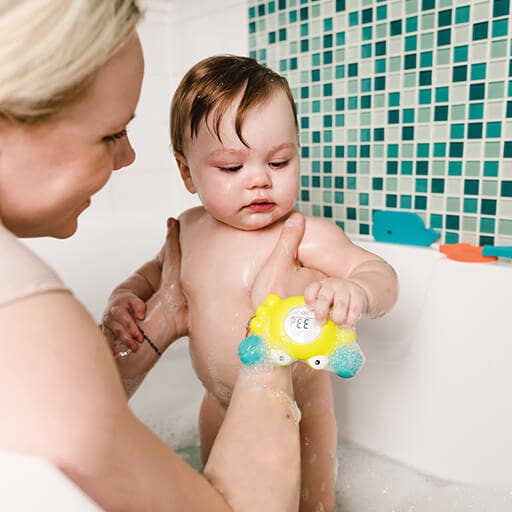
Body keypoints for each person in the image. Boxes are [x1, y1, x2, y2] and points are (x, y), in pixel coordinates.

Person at [0, 3, 320, 511]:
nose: (127, 157)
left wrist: (162, 320)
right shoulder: (22, 311)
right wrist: (275, 337)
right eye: (110, 133)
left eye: (278, 160)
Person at [102, 55, 399, 512]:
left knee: (310, 506)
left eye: (279, 161)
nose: (259, 179)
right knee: (220, 495)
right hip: (217, 406)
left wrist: (356, 290)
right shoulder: (190, 230)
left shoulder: (304, 234)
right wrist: (125, 297)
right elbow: (151, 278)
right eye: (231, 168)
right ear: (187, 172)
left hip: (298, 415)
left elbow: (380, 274)